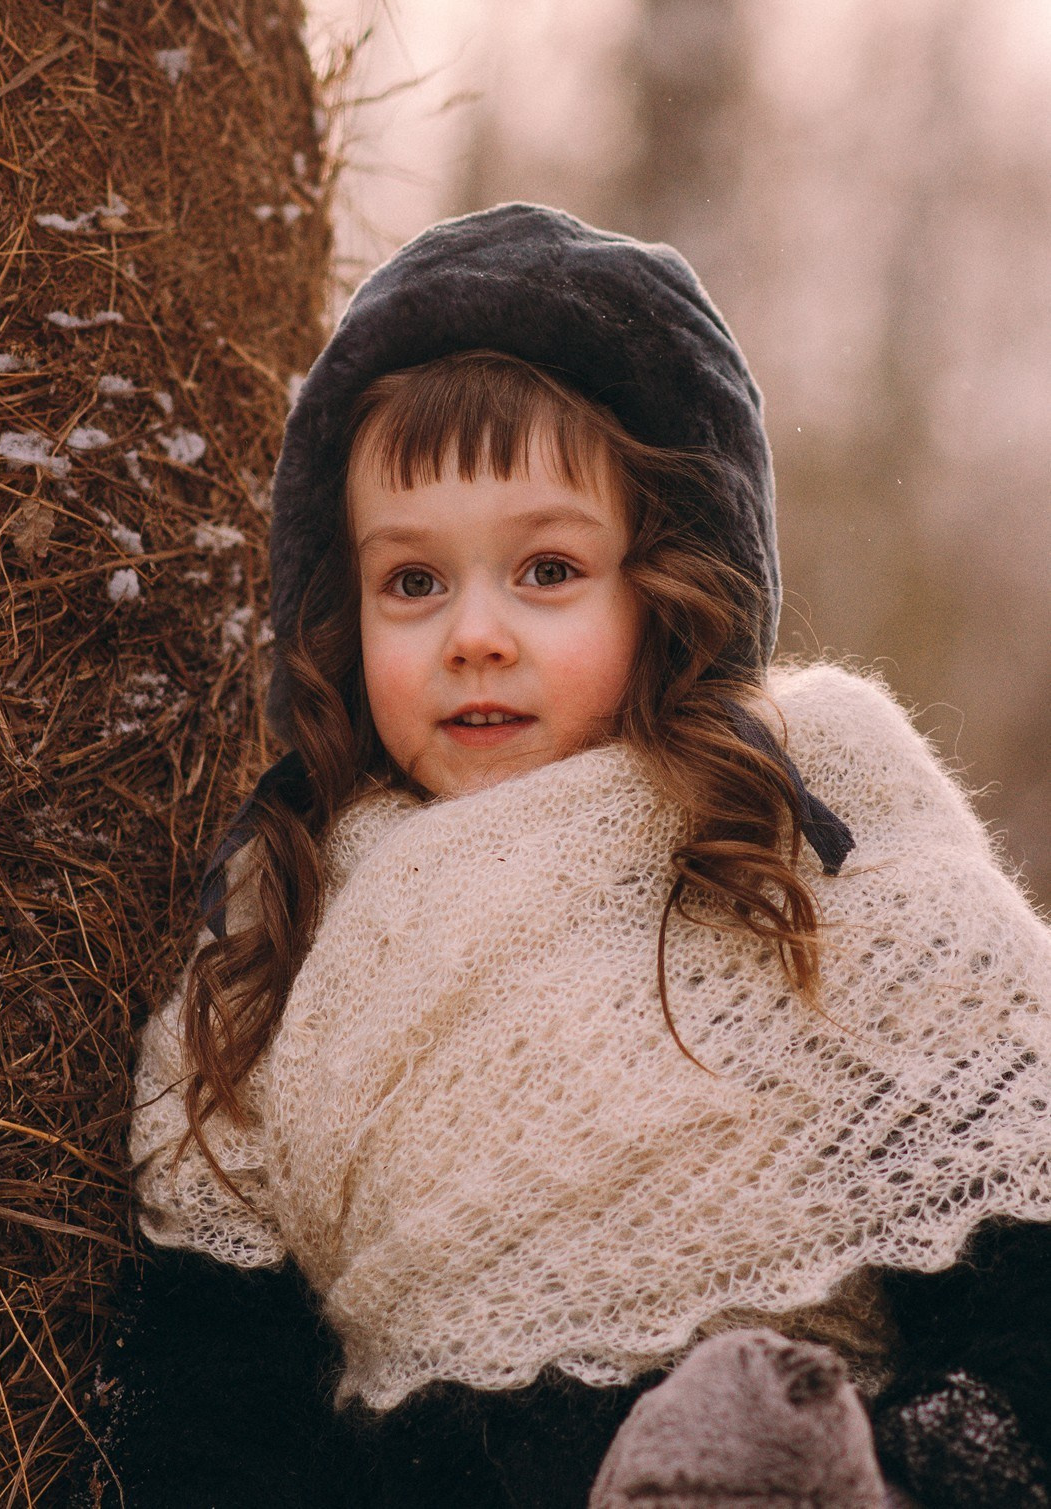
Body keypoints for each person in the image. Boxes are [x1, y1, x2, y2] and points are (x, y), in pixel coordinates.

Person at [73, 204, 1051, 1509]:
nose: (474, 633)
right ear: (337, 610)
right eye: (412, 583)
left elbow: (1027, 1333)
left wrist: (897, 1477)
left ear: (669, 587)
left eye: (546, 568)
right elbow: (215, 1403)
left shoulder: (832, 854)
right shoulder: (288, 922)